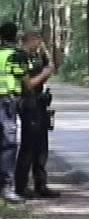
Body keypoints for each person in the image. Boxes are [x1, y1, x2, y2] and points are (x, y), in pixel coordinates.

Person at [14, 30, 56, 199]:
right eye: (38, 41)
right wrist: (45, 73)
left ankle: (41, 184)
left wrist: (46, 59)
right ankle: (21, 185)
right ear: (31, 40)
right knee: (29, 146)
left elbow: (47, 70)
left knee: (41, 146)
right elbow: (28, 85)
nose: (40, 45)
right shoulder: (20, 57)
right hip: (28, 103)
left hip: (39, 103)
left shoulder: (35, 57)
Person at [0, 25, 28, 204]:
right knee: (8, 144)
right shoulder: (16, 55)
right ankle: (6, 188)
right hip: (7, 101)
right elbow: (24, 80)